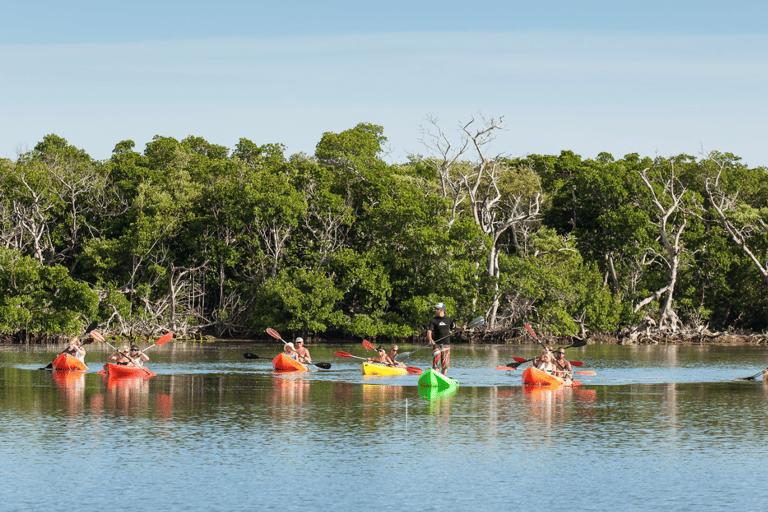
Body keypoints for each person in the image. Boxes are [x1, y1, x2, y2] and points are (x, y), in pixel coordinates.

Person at [427, 302, 466, 376]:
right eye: (435, 309)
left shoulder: (449, 320)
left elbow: (454, 327)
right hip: (436, 345)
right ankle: (436, 378)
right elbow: (429, 331)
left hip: (446, 345)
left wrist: (461, 328)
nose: (436, 310)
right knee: (436, 364)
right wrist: (430, 339)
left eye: (437, 309)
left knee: (445, 365)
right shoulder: (433, 320)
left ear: (442, 310)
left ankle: (442, 378)